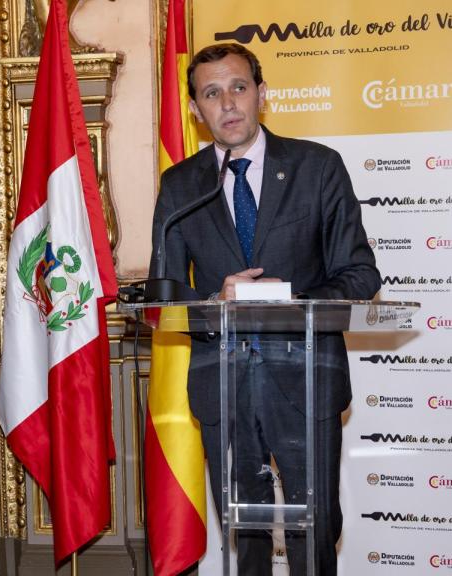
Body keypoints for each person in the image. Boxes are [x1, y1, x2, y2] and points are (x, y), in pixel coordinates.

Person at [149, 43, 380, 575]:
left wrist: (288, 301)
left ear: (262, 95)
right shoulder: (181, 186)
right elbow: (164, 296)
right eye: (211, 93)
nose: (227, 103)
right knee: (244, 537)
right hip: (222, 382)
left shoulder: (317, 167)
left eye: (238, 88)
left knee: (315, 526)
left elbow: (361, 275)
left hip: (304, 376)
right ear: (194, 110)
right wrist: (213, 301)